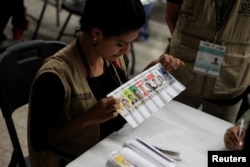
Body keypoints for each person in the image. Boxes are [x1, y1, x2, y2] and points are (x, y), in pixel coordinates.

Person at [27, 0, 185, 166]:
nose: (126, 51)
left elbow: (121, 101)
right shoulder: (55, 77)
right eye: (120, 44)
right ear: (96, 34)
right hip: (73, 160)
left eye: (131, 43)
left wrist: (150, 73)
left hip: (109, 146)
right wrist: (87, 118)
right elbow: (41, 140)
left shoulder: (113, 59)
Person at [164, 0, 250, 123]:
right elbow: (170, 15)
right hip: (182, 73)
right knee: (166, 128)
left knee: (218, 137)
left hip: (229, 83)